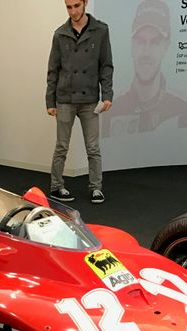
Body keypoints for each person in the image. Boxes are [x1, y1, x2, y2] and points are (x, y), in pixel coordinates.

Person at [46, 0, 113, 204]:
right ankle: (56, 186)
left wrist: (107, 94)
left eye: (76, 5)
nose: (73, 11)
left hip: (90, 99)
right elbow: (53, 69)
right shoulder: (60, 34)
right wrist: (50, 101)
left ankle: (96, 187)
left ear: (85, 3)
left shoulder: (100, 30)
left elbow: (106, 65)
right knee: (61, 146)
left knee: (93, 147)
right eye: (69, 7)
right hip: (64, 98)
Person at [102, 0, 187, 137]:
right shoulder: (112, 110)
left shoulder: (180, 109)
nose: (146, 52)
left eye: (155, 42)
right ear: (132, 46)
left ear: (165, 47)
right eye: (141, 41)